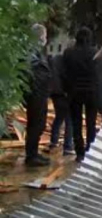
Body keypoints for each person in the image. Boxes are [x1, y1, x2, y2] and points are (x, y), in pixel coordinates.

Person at [63, 27, 98, 162]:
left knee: (76, 123)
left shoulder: (68, 53)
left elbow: (64, 72)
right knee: (91, 122)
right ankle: (90, 148)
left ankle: (79, 152)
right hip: (91, 92)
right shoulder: (94, 53)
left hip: (74, 92)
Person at [23, 24, 52, 167]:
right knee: (36, 124)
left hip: (39, 92)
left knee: (38, 124)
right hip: (36, 93)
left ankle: (33, 152)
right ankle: (31, 155)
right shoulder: (30, 53)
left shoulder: (37, 52)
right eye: (44, 36)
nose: (45, 39)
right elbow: (31, 73)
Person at [47, 52, 75, 156]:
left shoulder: (55, 60)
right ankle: (68, 146)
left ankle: (53, 142)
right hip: (64, 94)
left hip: (55, 93)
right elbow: (66, 77)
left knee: (59, 117)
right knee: (69, 120)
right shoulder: (67, 62)